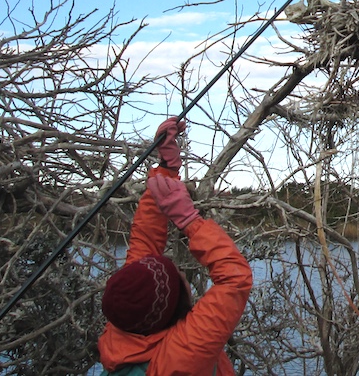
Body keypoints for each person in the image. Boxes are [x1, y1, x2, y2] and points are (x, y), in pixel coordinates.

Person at [98, 118, 253, 376]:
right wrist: (190, 220)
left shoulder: (124, 330)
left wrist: (166, 170)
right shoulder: (179, 359)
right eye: (176, 276)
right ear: (174, 306)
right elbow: (235, 278)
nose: (179, 271)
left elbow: (144, 246)